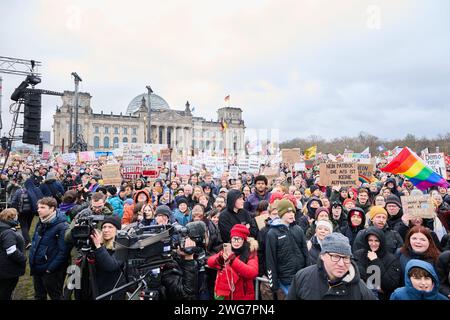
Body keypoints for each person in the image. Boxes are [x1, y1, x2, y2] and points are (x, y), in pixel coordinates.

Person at [287, 233, 377, 300]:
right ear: (322, 256)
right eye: (335, 256)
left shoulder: (360, 288)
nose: (341, 264)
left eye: (346, 258)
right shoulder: (303, 277)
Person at [265, 199, 309, 299]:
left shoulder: (298, 229)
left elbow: (305, 254)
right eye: (288, 212)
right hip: (285, 280)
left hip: (301, 277)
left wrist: (307, 273)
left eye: (292, 211)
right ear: (281, 214)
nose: (291, 214)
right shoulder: (272, 233)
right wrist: (273, 283)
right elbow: (270, 259)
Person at [29, 197, 69, 300]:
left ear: (52, 209)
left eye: (42, 207)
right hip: (37, 267)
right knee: (39, 295)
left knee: (55, 296)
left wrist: (50, 269)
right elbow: (34, 241)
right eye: (38, 207)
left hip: (51, 271)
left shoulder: (62, 227)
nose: (38, 210)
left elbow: (63, 252)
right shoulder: (41, 221)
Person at [207, 224, 258, 300]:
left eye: (239, 239)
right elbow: (209, 262)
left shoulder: (250, 253)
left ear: (244, 240)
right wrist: (219, 258)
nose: (236, 242)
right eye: (234, 239)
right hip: (226, 294)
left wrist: (233, 260)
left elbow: (252, 272)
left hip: (243, 295)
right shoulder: (227, 250)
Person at [353, 227, 402, 300]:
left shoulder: (391, 259)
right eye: (370, 240)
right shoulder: (359, 254)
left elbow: (390, 285)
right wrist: (374, 285)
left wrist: (375, 261)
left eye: (377, 241)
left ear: (381, 241)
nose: (373, 243)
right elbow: (355, 276)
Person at [90, 215, 125, 300]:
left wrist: (98, 246)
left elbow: (111, 265)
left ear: (117, 230)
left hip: (112, 292)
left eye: (110, 227)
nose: (106, 230)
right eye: (104, 227)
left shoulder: (121, 247)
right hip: (96, 289)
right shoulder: (98, 245)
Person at [0, 208, 27, 300]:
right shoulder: (8, 232)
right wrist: (23, 259)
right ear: (12, 217)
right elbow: (12, 251)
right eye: (16, 215)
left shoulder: (3, 227)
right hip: (8, 270)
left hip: (4, 268)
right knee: (6, 292)